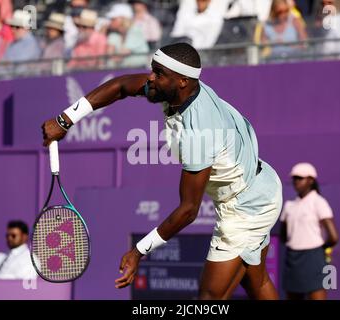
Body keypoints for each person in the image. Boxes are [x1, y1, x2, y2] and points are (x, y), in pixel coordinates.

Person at [41, 42, 283, 300]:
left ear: (182, 81)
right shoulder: (178, 90)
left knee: (209, 298)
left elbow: (189, 210)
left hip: (247, 207)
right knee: (255, 281)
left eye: (159, 74)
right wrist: (65, 120)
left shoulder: (199, 132)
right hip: (263, 185)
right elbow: (122, 86)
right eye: (153, 70)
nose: (151, 79)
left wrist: (138, 251)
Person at [280, 163, 339, 300]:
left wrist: (319, 249)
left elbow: (334, 237)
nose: (296, 181)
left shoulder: (319, 202)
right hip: (292, 258)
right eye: (294, 178)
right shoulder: (289, 205)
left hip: (314, 258)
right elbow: (284, 236)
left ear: (311, 180)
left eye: (300, 178)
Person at [106, 3, 149, 69]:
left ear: (123, 19)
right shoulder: (114, 34)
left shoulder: (135, 31)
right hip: (122, 71)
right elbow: (109, 57)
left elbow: (118, 57)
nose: (110, 22)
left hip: (138, 71)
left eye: (113, 19)